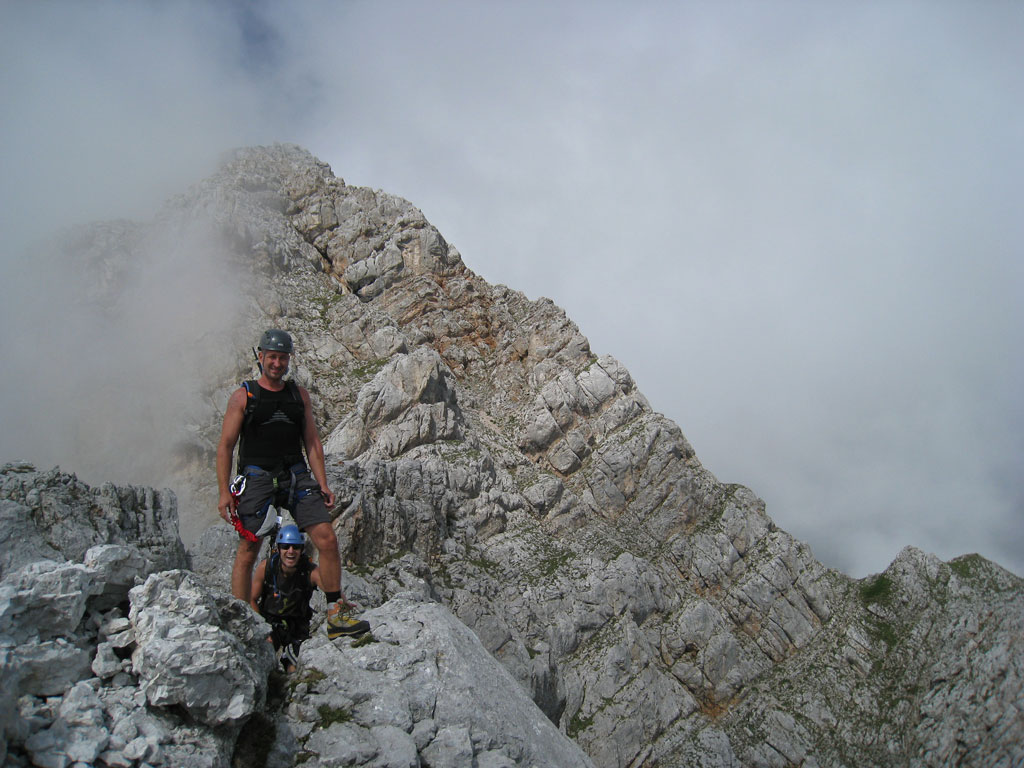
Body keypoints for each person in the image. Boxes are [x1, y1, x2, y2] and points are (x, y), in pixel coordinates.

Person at [217, 328, 369, 640]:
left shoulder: (298, 397)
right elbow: (225, 446)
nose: (277, 363)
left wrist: (322, 483)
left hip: (295, 473)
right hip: (256, 475)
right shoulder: (243, 396)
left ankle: (335, 612)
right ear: (260, 357)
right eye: (271, 357)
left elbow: (311, 441)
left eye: (282, 357)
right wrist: (224, 491)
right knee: (249, 547)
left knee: (326, 538)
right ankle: (240, 617)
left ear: (289, 360)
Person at [251, 525, 321, 672]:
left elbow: (331, 587)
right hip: (270, 623)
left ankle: (289, 680)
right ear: (279, 548)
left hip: (297, 626)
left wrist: (340, 604)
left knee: (294, 668)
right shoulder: (267, 567)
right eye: (285, 546)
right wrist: (262, 629)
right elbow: (251, 599)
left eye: (295, 547)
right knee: (261, 659)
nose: (290, 551)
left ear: (302, 550)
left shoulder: (310, 571)